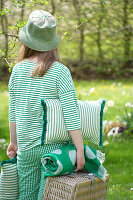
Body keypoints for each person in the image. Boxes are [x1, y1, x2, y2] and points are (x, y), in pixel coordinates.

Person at [7, 10, 85, 200]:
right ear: (52, 42)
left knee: (26, 195)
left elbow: (14, 111)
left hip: (26, 148)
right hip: (54, 149)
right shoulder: (60, 72)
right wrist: (80, 150)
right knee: (49, 196)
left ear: (25, 41)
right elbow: (70, 112)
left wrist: (14, 142)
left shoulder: (17, 70)